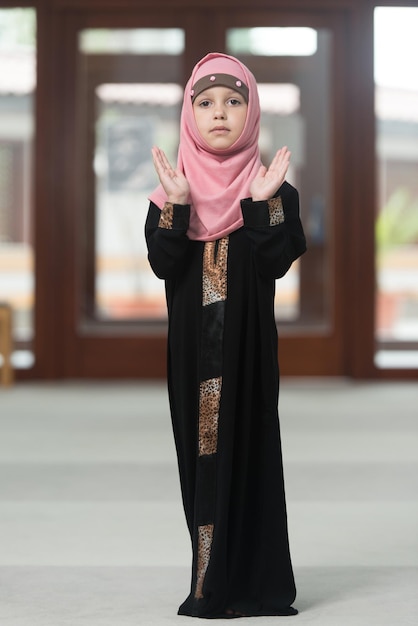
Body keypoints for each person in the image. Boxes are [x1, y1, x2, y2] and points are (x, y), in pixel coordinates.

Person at [145, 52, 306, 619]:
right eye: (206, 103)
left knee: (253, 452)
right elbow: (165, 266)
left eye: (234, 101)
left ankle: (259, 584)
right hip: (191, 359)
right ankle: (208, 583)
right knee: (200, 458)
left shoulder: (272, 191)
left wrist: (261, 206)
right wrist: (180, 205)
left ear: (252, 113)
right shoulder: (170, 195)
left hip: (249, 356)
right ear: (189, 116)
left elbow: (278, 262)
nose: (220, 113)